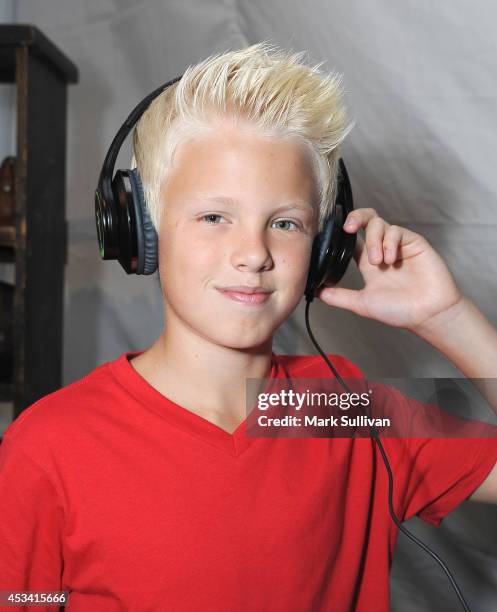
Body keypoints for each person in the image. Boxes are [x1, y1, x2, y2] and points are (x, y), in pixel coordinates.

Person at [1, 42, 497, 612]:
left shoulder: (345, 412)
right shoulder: (50, 444)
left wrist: (447, 318)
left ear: (323, 250)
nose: (254, 253)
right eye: (215, 217)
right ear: (142, 230)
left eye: (285, 223)